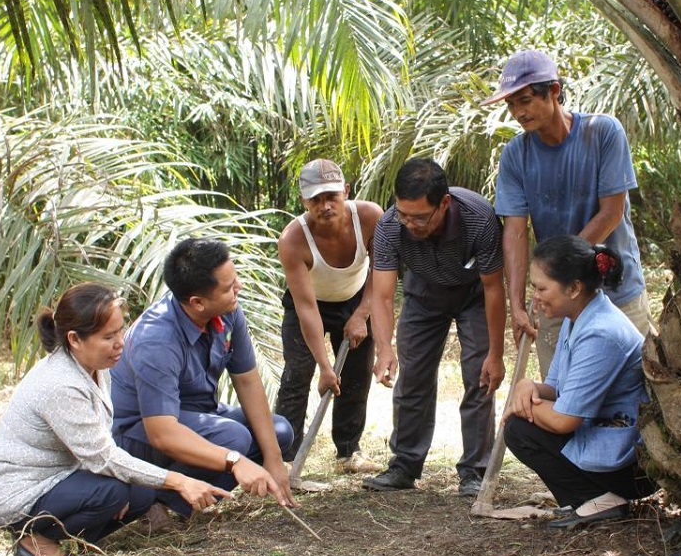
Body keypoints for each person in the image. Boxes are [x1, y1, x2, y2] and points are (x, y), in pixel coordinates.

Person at [0, 283, 228, 556]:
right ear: (74, 339)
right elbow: (103, 457)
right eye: (109, 336)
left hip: (60, 477)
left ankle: (69, 535)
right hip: (18, 494)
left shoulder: (96, 366)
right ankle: (34, 541)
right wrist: (180, 481)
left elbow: (97, 447)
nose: (121, 342)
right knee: (113, 492)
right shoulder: (61, 384)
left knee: (140, 492)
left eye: (121, 330)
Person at [485, 50, 653, 378]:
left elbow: (611, 213)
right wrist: (517, 305)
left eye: (526, 100)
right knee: (560, 392)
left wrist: (558, 268)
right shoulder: (516, 156)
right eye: (511, 105)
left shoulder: (603, 133)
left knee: (634, 392)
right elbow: (515, 232)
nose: (518, 112)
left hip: (616, 288)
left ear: (555, 91)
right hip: (558, 299)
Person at [110, 238, 298, 522]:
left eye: (235, 280)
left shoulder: (228, 311)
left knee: (279, 431)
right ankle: (157, 495)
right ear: (197, 302)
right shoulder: (156, 339)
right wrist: (236, 461)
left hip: (197, 416)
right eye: (228, 287)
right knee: (235, 439)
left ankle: (182, 497)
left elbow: (247, 381)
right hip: (139, 435)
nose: (239, 289)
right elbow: (162, 432)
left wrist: (273, 458)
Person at [363, 158, 506, 497]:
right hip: (423, 292)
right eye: (403, 214)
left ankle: (475, 470)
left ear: (444, 204)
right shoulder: (388, 226)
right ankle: (404, 465)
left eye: (420, 217)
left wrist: (497, 355)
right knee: (412, 376)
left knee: (479, 375)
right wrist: (384, 348)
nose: (410, 223)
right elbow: (382, 296)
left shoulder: (478, 217)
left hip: (474, 295)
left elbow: (493, 289)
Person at [503, 236, 656, 530]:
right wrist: (528, 387)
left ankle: (601, 500)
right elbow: (557, 386)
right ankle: (596, 498)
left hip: (630, 464)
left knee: (520, 429)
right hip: (606, 440)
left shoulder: (601, 332)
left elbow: (564, 421)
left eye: (541, 287)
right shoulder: (578, 317)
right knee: (521, 426)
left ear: (574, 288)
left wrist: (525, 408)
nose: (534, 296)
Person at [273, 159, 384, 473]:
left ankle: (349, 452)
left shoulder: (370, 217)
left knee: (357, 375)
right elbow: (306, 307)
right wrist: (324, 367)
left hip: (357, 299)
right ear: (303, 202)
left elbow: (383, 270)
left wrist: (363, 313)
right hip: (309, 305)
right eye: (315, 199)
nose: (324, 205)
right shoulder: (293, 240)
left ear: (346, 191)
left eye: (331, 196)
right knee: (297, 375)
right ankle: (284, 458)